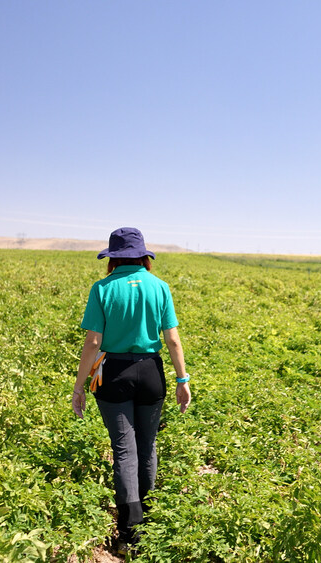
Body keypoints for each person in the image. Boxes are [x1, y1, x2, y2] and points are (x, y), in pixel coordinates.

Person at [71, 227, 191, 551]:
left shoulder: (102, 288)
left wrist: (79, 386)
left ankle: (130, 533)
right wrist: (182, 380)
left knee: (124, 450)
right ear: (143, 256)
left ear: (112, 258)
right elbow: (173, 339)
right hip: (151, 372)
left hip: (115, 374)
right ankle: (149, 521)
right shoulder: (160, 287)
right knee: (147, 446)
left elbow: (94, 341)